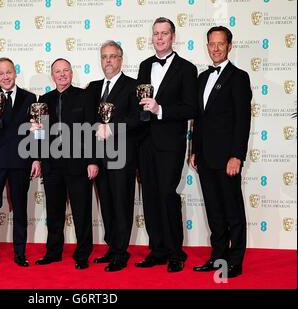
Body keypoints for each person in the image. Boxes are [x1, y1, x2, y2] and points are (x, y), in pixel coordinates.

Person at [135, 17, 198, 272]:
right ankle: (157, 249)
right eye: (156, 34)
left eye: (164, 33)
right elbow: (138, 102)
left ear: (173, 37)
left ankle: (175, 252)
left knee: (167, 195)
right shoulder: (144, 65)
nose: (159, 38)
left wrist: (160, 109)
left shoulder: (186, 68)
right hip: (145, 143)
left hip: (170, 143)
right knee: (149, 197)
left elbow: (191, 107)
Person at [190, 26, 252, 278]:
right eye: (211, 44)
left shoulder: (239, 77)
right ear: (207, 46)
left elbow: (242, 120)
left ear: (229, 46)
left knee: (232, 211)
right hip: (205, 157)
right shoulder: (201, 79)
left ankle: (235, 260)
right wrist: (194, 150)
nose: (216, 48)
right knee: (214, 212)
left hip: (228, 158)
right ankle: (218, 258)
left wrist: (237, 155)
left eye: (220, 43)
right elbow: (199, 119)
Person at [34, 58, 98, 270]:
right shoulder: (44, 99)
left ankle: (82, 254)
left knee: (82, 212)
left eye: (65, 71)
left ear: (72, 73)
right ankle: (53, 252)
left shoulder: (85, 96)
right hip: (52, 165)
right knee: (54, 212)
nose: (62, 75)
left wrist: (92, 161)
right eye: (57, 72)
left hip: (79, 164)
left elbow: (91, 130)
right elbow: (41, 134)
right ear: (52, 76)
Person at [0, 57, 41, 268]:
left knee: (20, 207)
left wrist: (36, 157)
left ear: (15, 73)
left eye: (9, 72)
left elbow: (38, 131)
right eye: (1, 73)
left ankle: (20, 253)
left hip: (21, 160)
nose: (5, 76)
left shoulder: (30, 97)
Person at [86, 41, 139, 272]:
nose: (108, 61)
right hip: (99, 157)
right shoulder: (93, 87)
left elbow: (138, 118)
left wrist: (113, 127)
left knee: (121, 203)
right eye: (104, 57)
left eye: (113, 56)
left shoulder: (133, 85)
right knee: (106, 203)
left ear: (121, 59)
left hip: (122, 157)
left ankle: (121, 252)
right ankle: (111, 246)